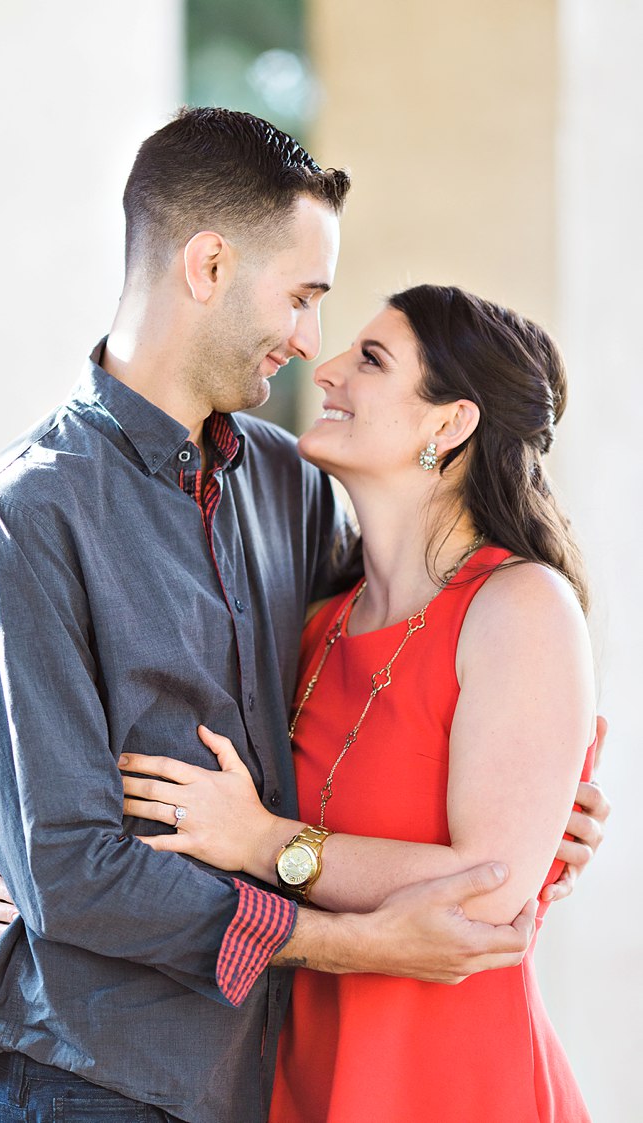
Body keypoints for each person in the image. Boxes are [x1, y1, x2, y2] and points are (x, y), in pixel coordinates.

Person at [0, 108, 607, 1123]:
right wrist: (34, 876)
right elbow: (68, 869)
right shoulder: (25, 517)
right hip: (94, 1082)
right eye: (300, 298)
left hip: (270, 1079)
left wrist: (545, 796)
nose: (311, 344)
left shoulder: (286, 486)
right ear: (207, 267)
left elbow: (400, 680)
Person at [105, 286, 593, 1120]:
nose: (324, 370)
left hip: (457, 1086)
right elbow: (178, 809)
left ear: (450, 424)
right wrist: (25, 886)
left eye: (371, 360)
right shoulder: (314, 621)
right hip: (296, 1082)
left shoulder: (521, 605)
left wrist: (266, 842)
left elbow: (486, 890)